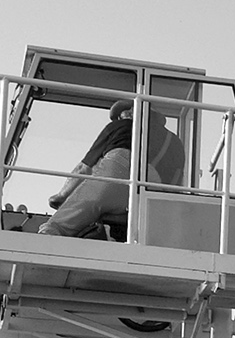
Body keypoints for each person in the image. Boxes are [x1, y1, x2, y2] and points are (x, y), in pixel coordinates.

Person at [37, 99, 182, 238]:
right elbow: (175, 183)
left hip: (116, 173)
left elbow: (84, 168)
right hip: (151, 198)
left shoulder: (121, 126)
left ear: (135, 111)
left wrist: (61, 196)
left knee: (57, 226)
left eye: (124, 112)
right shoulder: (175, 142)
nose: (121, 117)